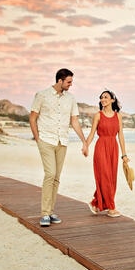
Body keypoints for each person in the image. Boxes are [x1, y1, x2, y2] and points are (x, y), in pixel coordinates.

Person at [29, 68, 88, 227]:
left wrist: (84, 141)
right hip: (46, 140)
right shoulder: (42, 95)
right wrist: (37, 138)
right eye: (68, 82)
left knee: (56, 178)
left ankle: (50, 211)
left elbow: (74, 121)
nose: (70, 85)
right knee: (50, 174)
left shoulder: (71, 98)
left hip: (62, 142)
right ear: (60, 81)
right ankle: (44, 213)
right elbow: (33, 118)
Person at [85, 90, 130, 218]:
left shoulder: (118, 116)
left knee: (111, 178)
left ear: (112, 100)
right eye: (101, 98)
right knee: (104, 176)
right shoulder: (98, 115)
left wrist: (124, 155)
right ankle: (111, 208)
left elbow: (120, 135)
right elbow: (92, 133)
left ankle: (95, 203)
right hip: (101, 147)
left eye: (106, 97)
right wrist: (86, 146)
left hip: (113, 147)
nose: (103, 99)